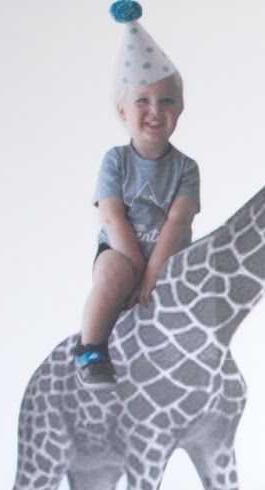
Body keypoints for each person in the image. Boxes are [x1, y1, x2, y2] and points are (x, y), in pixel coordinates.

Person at [76, 12, 200, 386]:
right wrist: (134, 269)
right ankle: (91, 348)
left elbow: (178, 223)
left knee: (193, 283)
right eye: (142, 100)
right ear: (122, 111)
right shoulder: (115, 160)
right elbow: (112, 218)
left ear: (180, 108)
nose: (155, 110)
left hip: (166, 256)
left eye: (166, 100)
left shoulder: (186, 168)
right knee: (112, 273)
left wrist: (152, 274)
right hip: (120, 250)